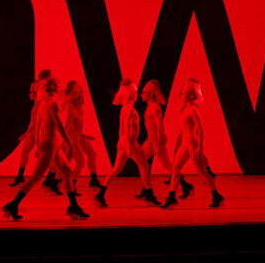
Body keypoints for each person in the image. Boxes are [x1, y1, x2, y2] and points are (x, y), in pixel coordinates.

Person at [1, 74, 88, 221]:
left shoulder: (42, 103)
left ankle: (73, 206)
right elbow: (59, 125)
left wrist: (37, 145)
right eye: (58, 86)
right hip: (50, 144)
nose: (60, 89)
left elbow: (37, 127)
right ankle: (12, 205)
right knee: (35, 178)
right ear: (53, 88)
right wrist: (69, 143)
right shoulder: (52, 104)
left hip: (49, 143)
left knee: (67, 173)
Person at [161, 79, 223, 209]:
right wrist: (179, 142)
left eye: (184, 94)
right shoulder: (185, 109)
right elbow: (184, 129)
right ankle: (171, 197)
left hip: (192, 145)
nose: (181, 96)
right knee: (176, 169)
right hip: (185, 144)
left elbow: (200, 129)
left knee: (202, 173)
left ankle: (216, 195)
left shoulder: (193, 110)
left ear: (191, 96)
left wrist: (200, 147)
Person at [95, 79, 158, 207]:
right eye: (135, 93)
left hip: (123, 141)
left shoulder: (124, 108)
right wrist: (128, 146)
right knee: (144, 166)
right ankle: (149, 194)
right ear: (130, 94)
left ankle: (101, 194)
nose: (137, 94)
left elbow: (121, 128)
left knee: (116, 169)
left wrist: (121, 142)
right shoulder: (130, 110)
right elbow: (127, 129)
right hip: (130, 141)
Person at [140, 80, 192, 197]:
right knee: (141, 161)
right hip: (150, 140)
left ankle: (185, 185)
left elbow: (160, 127)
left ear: (151, 94)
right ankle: (146, 188)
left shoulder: (155, 108)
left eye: (144, 92)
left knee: (166, 164)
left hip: (157, 140)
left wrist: (158, 144)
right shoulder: (149, 107)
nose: (141, 95)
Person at [63, 80, 101, 190]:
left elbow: (77, 129)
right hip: (73, 138)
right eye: (80, 92)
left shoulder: (80, 108)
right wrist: (70, 143)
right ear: (75, 96)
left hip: (78, 136)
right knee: (70, 160)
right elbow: (68, 128)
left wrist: (84, 136)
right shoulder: (73, 109)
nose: (83, 94)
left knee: (92, 154)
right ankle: (57, 181)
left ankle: (93, 179)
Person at [9, 80, 42, 186]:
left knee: (48, 156)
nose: (30, 94)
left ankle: (54, 177)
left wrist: (25, 134)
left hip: (39, 132)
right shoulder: (36, 105)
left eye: (32, 91)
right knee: (25, 152)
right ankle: (20, 176)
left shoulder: (39, 105)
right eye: (31, 91)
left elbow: (36, 124)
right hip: (33, 132)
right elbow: (34, 123)